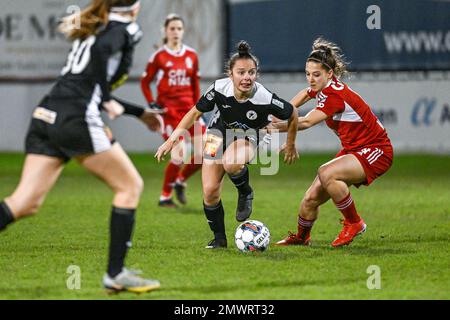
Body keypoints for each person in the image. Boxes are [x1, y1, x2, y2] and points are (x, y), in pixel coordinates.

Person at [0, 0, 160, 293]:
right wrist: (110, 97)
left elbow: (89, 85)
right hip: (75, 119)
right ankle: (115, 274)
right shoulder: (123, 28)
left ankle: (116, 273)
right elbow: (99, 72)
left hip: (46, 113)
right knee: (130, 187)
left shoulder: (97, 27)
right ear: (134, 7)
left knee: (23, 203)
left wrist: (137, 113)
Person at [156, 41, 299, 248]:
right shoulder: (219, 88)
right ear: (230, 74)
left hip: (250, 134)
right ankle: (220, 239)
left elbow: (292, 113)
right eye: (241, 72)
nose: (247, 77)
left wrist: (291, 143)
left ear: (256, 75)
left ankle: (245, 192)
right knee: (210, 192)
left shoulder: (264, 97)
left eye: (251, 72)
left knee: (231, 163)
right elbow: (195, 112)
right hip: (217, 132)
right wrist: (172, 139)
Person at [273, 37, 394, 247]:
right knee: (310, 199)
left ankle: (354, 222)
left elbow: (306, 122)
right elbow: (305, 93)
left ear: (330, 74)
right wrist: (281, 111)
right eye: (308, 74)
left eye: (316, 74)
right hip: (353, 150)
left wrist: (272, 126)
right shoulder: (322, 87)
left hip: (376, 150)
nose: (311, 79)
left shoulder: (333, 95)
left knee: (327, 172)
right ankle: (302, 238)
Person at [141, 13, 205, 208]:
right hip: (169, 112)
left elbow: (194, 82)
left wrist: (199, 107)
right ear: (166, 31)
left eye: (179, 28)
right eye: (172, 29)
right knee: (179, 154)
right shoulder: (159, 57)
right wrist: (152, 102)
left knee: (209, 151)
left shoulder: (191, 55)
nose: (176, 32)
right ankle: (165, 196)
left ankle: (180, 180)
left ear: (183, 31)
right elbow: (145, 82)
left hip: (190, 110)